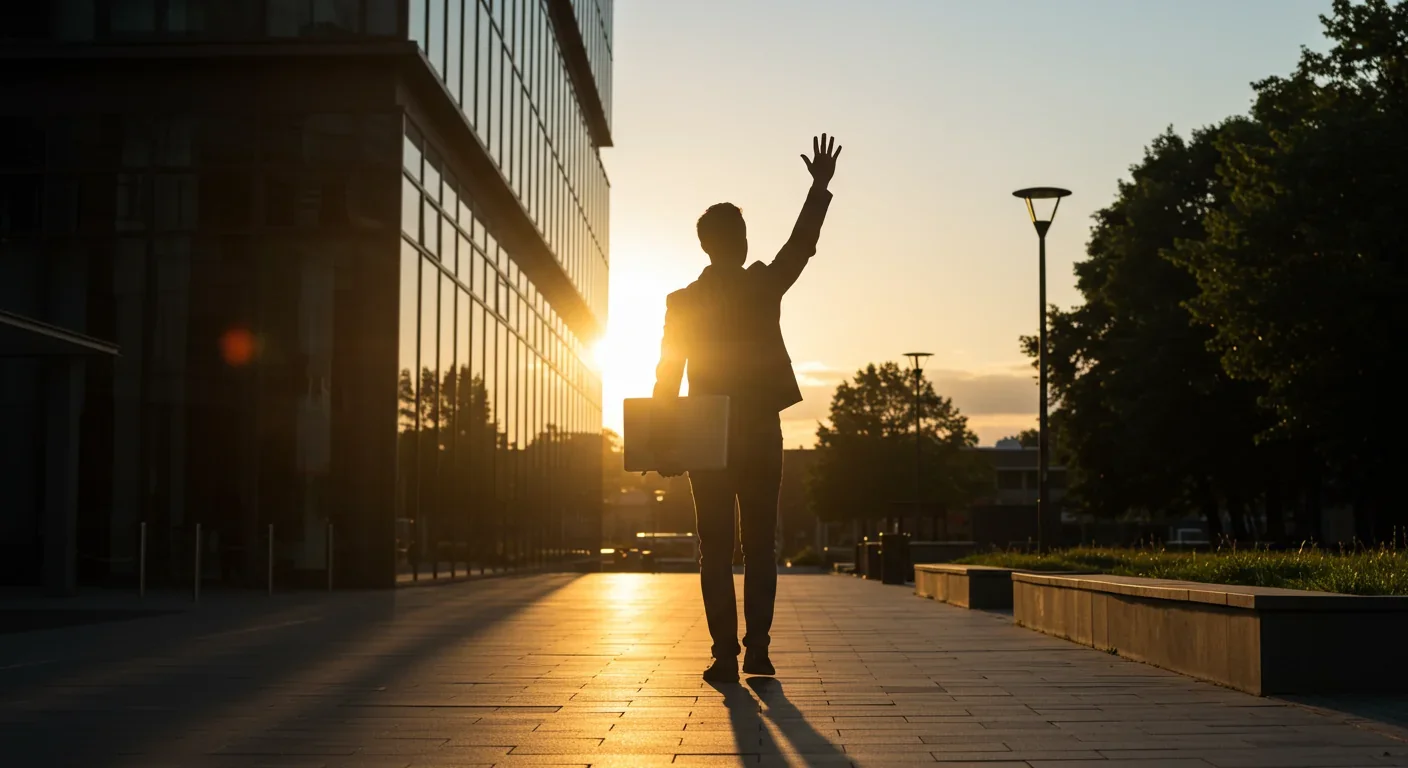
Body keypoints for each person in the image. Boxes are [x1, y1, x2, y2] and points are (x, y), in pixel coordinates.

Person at [652, 134, 842, 682]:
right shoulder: (761, 286)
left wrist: (666, 441)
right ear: (735, 242)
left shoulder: (682, 302)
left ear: (705, 247)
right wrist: (819, 189)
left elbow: (668, 375)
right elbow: (799, 248)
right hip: (759, 429)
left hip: (707, 434)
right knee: (760, 544)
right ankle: (757, 650)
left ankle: (724, 656)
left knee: (714, 547)